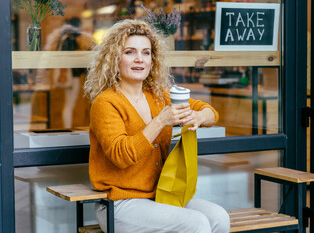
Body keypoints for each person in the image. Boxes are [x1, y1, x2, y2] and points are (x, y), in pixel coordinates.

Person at [84, 19, 230, 233]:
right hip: (120, 204)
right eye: (130, 52)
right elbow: (121, 155)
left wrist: (198, 116)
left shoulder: (160, 96)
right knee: (196, 224)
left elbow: (211, 113)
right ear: (115, 58)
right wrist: (160, 121)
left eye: (146, 52)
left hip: (162, 194)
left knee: (219, 218)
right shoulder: (105, 103)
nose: (139, 60)